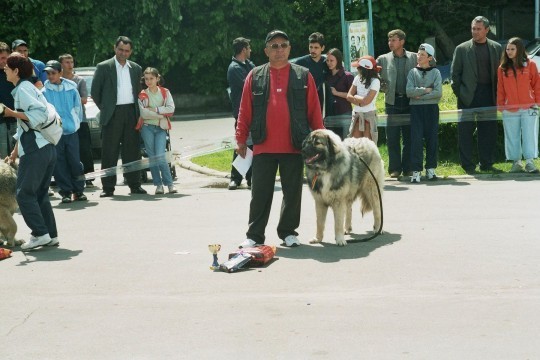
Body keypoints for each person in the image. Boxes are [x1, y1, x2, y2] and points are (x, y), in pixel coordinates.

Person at [235, 30, 324, 248]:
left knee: (292, 193)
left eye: (283, 45)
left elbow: (314, 109)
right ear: (266, 51)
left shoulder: (303, 75)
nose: (279, 49)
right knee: (260, 194)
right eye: (274, 46)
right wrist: (240, 139)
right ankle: (254, 235)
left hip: (295, 144)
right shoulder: (254, 75)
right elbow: (244, 110)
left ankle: (288, 232)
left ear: (290, 48)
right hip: (263, 144)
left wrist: (320, 140)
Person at [2, 52, 58, 250]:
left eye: (7, 67)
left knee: (24, 194)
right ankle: (50, 235)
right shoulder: (27, 88)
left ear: (16, 71)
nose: (4, 69)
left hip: (36, 150)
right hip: (46, 148)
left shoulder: (23, 89)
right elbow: (24, 126)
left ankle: (40, 234)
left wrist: (10, 113)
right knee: (40, 194)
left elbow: (38, 115)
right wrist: (16, 151)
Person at [91, 36, 146, 197]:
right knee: (109, 152)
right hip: (112, 114)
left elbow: (138, 91)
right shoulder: (104, 67)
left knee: (132, 151)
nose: (123, 53)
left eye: (127, 51)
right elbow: (95, 92)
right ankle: (108, 188)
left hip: (131, 112)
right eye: (121, 49)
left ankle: (134, 184)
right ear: (115, 48)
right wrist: (106, 108)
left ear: (131, 52)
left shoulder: (136, 68)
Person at [451, 16, 503, 174]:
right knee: (465, 132)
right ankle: (467, 165)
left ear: (487, 30)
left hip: (489, 93)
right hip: (468, 95)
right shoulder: (461, 49)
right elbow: (455, 76)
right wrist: (461, 94)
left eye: (478, 29)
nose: (475, 31)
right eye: (473, 28)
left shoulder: (496, 47)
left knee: (488, 131)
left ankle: (486, 163)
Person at [42, 60, 86, 203]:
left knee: (75, 162)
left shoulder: (71, 87)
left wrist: (75, 124)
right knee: (59, 163)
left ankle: (78, 191)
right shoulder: (44, 91)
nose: (50, 76)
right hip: (55, 134)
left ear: (60, 73)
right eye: (48, 73)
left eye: (53, 73)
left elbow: (78, 108)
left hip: (71, 132)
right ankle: (65, 192)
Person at [376, 29, 417, 178]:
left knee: (409, 136)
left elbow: (429, 65)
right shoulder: (383, 59)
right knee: (392, 137)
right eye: (389, 40)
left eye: (393, 40)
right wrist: (382, 86)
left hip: (410, 101)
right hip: (391, 101)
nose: (390, 43)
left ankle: (408, 168)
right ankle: (395, 169)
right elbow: (373, 75)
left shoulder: (414, 57)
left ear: (402, 42)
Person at [497, 37, 540, 174]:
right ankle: (516, 163)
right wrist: (501, 106)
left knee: (530, 135)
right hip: (510, 109)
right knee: (511, 136)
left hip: (529, 108)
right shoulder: (502, 68)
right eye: (507, 49)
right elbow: (500, 88)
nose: (509, 52)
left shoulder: (531, 65)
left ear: (519, 49)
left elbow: (537, 85)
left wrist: (537, 103)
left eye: (512, 49)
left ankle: (529, 163)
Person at [406, 44, 443, 183]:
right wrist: (426, 90)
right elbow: (409, 91)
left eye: (422, 54)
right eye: (418, 53)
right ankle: (416, 171)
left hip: (431, 108)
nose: (419, 56)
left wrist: (420, 95)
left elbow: (438, 93)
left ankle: (431, 169)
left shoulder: (436, 73)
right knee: (416, 139)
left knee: (432, 138)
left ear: (429, 58)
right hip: (416, 110)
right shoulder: (412, 72)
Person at [137, 67, 177, 194]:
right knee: (152, 157)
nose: (149, 81)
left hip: (160, 128)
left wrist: (154, 110)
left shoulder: (165, 92)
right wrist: (161, 113)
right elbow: (143, 114)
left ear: (157, 78)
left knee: (160, 156)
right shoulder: (142, 94)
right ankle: (158, 185)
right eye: (146, 79)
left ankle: (170, 184)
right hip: (147, 128)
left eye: (151, 78)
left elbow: (171, 109)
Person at [59, 53, 95, 187]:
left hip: (80, 120)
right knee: (64, 150)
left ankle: (89, 176)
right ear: (61, 65)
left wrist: (65, 101)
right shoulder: (57, 80)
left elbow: (84, 100)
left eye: (71, 62)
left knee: (84, 148)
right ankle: (65, 177)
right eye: (67, 62)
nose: (70, 65)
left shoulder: (80, 80)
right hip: (62, 122)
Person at [227, 37, 255, 190]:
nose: (250, 50)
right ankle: (235, 178)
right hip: (241, 112)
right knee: (241, 143)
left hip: (253, 111)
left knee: (252, 145)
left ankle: (251, 178)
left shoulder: (249, 65)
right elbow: (250, 86)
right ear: (243, 49)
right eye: (248, 48)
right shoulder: (234, 68)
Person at [346, 55, 381, 143]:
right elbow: (349, 96)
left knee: (368, 146)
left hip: (369, 115)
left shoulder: (375, 81)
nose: (357, 69)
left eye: (359, 67)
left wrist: (356, 97)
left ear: (364, 69)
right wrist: (360, 102)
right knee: (355, 145)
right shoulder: (357, 78)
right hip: (357, 114)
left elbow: (367, 101)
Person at [293, 32, 328, 111]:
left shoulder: (327, 63)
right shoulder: (300, 63)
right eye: (311, 47)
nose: (313, 50)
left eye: (316, 47)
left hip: (323, 104)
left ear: (322, 48)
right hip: (305, 103)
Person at [324, 48, 354, 139]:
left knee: (346, 142)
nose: (329, 63)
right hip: (329, 114)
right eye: (327, 60)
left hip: (344, 113)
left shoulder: (348, 76)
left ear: (338, 60)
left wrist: (336, 93)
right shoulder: (326, 76)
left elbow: (352, 96)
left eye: (332, 60)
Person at [0, 42, 16, 158]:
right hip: (1, 123)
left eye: (4, 58)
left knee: (17, 158)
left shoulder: (16, 72)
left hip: (17, 120)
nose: (2, 61)